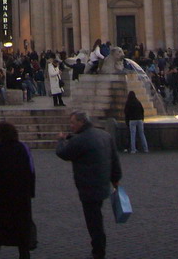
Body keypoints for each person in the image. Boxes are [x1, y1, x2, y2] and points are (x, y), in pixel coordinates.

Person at [56, 110, 121, 259]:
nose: (70, 126)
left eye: (73, 123)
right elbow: (114, 159)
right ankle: (99, 247)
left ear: (81, 122)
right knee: (96, 216)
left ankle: (98, 251)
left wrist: (61, 140)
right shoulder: (104, 135)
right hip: (103, 183)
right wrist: (116, 179)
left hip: (88, 186)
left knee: (94, 221)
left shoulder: (80, 141)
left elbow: (63, 153)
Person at [0, 121, 35, 259]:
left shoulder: (0, 151)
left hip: (2, 201)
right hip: (21, 200)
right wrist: (30, 193)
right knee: (22, 235)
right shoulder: (23, 149)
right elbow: (31, 172)